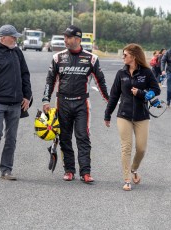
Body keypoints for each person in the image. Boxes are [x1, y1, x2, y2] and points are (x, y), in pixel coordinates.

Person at [42, 25, 109, 183]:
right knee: (64, 138)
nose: (65, 40)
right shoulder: (57, 57)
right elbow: (50, 81)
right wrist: (46, 100)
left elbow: (101, 82)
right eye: (64, 37)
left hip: (82, 104)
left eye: (68, 37)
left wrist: (110, 102)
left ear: (77, 39)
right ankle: (69, 170)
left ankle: (85, 172)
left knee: (83, 137)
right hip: (62, 103)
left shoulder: (91, 58)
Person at [104, 43, 160, 191]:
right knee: (126, 148)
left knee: (141, 148)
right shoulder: (121, 74)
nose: (123, 57)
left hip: (142, 115)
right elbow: (114, 95)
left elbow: (156, 89)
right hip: (124, 115)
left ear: (134, 56)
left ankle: (134, 169)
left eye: (125, 55)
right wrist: (107, 114)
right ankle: (127, 179)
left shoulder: (147, 72)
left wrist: (142, 93)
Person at [0, 24, 32, 180]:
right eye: (13, 36)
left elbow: (25, 75)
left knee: (11, 138)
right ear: (3, 38)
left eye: (16, 36)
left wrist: (27, 96)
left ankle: (6, 170)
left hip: (15, 103)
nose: (16, 39)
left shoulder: (17, 52)